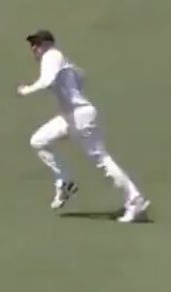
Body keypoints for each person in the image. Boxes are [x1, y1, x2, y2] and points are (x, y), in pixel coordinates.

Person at [17, 30, 150, 223]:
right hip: (71, 117)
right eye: (32, 45)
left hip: (80, 116)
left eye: (36, 44)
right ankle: (64, 182)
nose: (34, 49)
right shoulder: (62, 61)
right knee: (38, 141)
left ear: (47, 44)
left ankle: (135, 200)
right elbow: (81, 76)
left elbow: (47, 81)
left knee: (102, 160)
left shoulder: (51, 55)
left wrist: (26, 90)